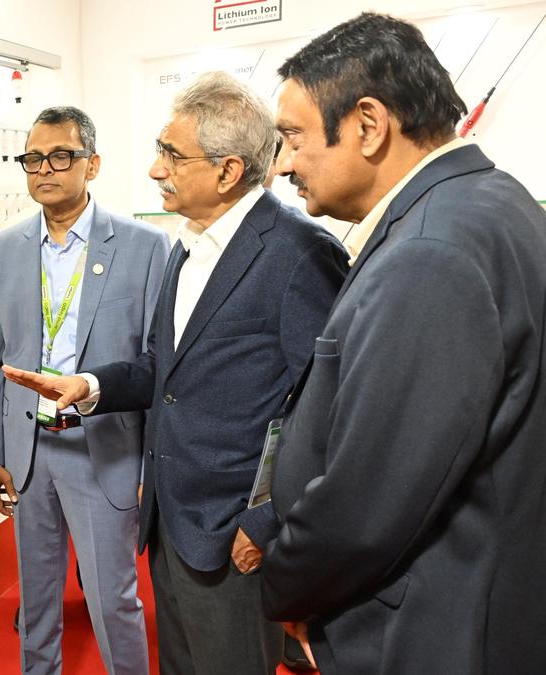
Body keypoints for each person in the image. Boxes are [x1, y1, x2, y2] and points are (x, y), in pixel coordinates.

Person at [2, 73, 348, 675]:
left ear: (228, 170)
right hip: (171, 524)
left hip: (234, 536)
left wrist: (267, 521)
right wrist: (91, 386)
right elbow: (165, 370)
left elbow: (329, 406)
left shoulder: (299, 253)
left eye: (172, 155)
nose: (156, 170)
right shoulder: (188, 246)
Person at [261, 13, 546, 674]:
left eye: (294, 137)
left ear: (368, 124)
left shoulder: (430, 253)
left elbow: (367, 503)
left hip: (431, 628)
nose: (284, 164)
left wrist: (287, 587)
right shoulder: (491, 200)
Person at [0, 106, 168, 674]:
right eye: (33, 158)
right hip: (29, 452)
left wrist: (150, 465)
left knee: (113, 599)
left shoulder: (144, 246)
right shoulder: (5, 248)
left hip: (103, 447)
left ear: (93, 164)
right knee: (36, 602)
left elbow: (158, 365)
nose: (44, 169)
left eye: (61, 156)